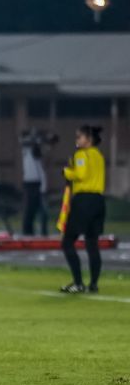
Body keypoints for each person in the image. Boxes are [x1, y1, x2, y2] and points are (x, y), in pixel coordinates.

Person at [60, 125, 106, 294]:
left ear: (88, 139)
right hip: (99, 201)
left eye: (79, 137)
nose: (77, 140)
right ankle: (93, 284)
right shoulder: (99, 156)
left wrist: (66, 171)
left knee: (67, 242)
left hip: (84, 201)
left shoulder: (81, 154)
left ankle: (78, 283)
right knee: (92, 244)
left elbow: (81, 175)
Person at [21, 142, 48, 236]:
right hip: (29, 185)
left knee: (43, 213)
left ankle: (44, 233)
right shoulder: (26, 153)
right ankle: (27, 233)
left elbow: (42, 174)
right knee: (29, 211)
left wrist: (43, 189)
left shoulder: (38, 160)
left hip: (38, 185)